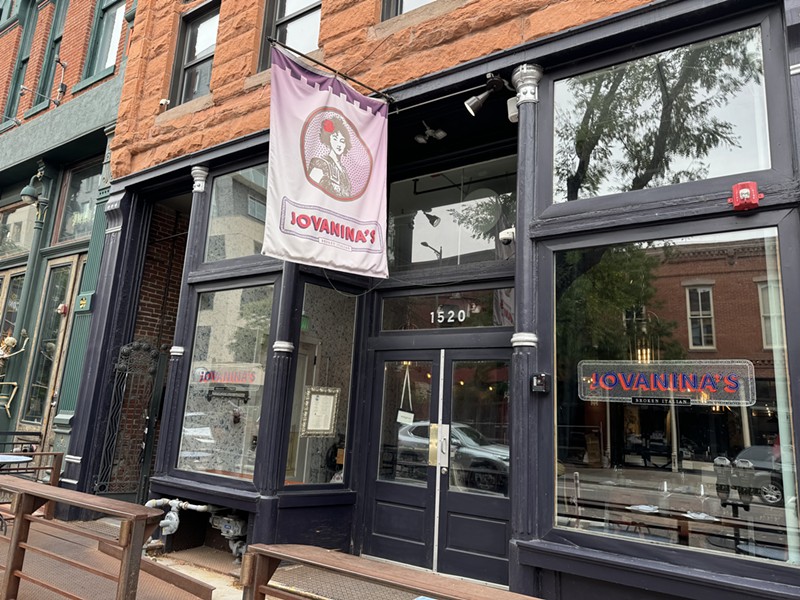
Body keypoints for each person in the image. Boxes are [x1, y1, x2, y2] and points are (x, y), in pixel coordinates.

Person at [307, 115, 352, 198]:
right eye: (335, 139)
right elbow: (309, 192)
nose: (339, 144)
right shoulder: (321, 164)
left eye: (342, 141)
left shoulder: (344, 172)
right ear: (329, 139)